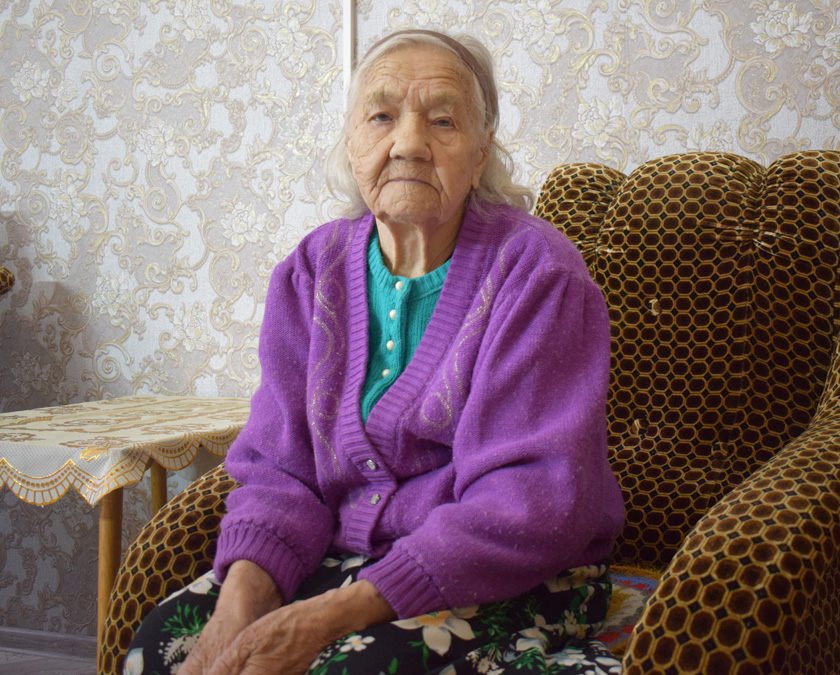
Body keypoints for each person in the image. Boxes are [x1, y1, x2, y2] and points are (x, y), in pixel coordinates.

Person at [124, 29, 625, 675]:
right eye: (382, 116)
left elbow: (530, 501)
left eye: (442, 120)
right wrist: (236, 613)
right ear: (351, 141)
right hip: (347, 561)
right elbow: (281, 469)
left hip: (512, 570)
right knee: (165, 647)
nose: (409, 143)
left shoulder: (536, 273)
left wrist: (326, 618)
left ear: (481, 153)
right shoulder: (312, 269)